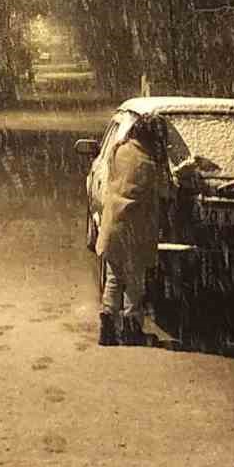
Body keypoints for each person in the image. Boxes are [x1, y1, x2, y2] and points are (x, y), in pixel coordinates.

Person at [96, 114, 164, 346]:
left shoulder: (119, 150)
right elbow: (163, 191)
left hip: (113, 225)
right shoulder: (148, 164)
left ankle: (107, 329)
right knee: (135, 282)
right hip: (133, 230)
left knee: (115, 278)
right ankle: (131, 329)